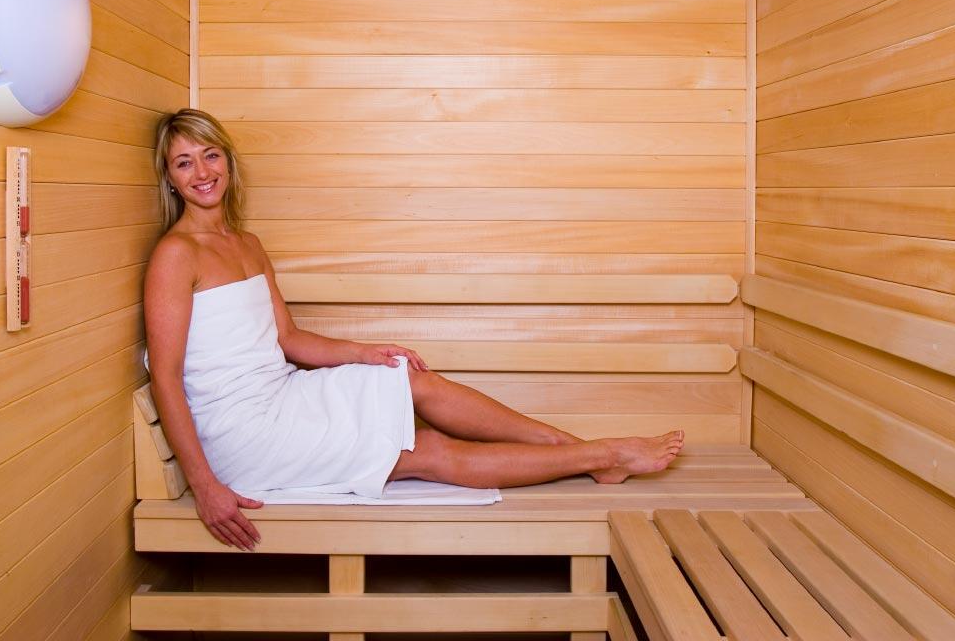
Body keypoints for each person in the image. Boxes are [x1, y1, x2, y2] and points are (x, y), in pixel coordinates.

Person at [143, 109, 685, 552]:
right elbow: (167, 378)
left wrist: (365, 352)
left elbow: (288, 339)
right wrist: (205, 485)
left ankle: (584, 452)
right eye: (184, 162)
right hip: (245, 436)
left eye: (210, 155)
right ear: (170, 177)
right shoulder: (175, 255)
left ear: (228, 161)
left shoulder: (246, 244)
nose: (202, 172)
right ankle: (602, 456)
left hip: (281, 396)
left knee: (408, 375)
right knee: (423, 451)